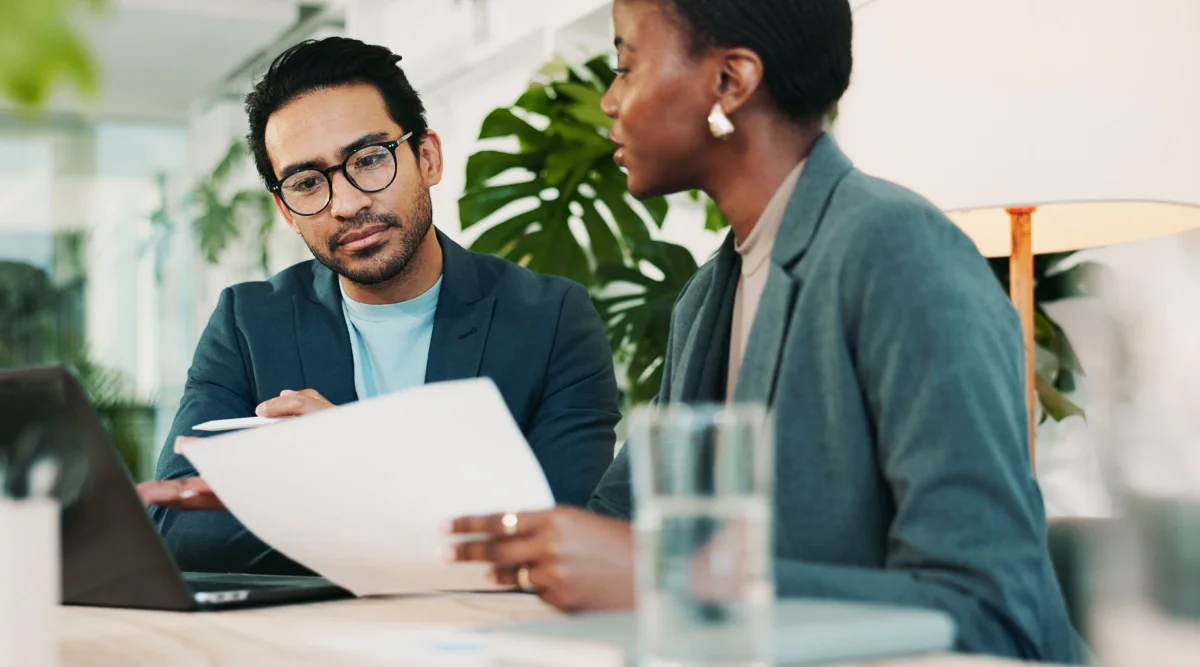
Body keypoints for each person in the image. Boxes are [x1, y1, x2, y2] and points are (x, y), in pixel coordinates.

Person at [447, 0, 1083, 662]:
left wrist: (677, 582)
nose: (610, 101)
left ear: (731, 82)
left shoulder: (895, 248)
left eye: (626, 65)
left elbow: (991, 610)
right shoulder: (706, 298)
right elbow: (613, 523)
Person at [138, 37, 621, 575]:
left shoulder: (549, 319)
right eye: (306, 182)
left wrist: (357, 458)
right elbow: (180, 530)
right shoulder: (248, 324)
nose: (347, 204)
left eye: (369, 160)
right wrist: (414, 509)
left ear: (428, 157)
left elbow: (562, 533)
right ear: (286, 209)